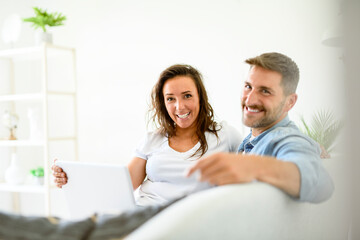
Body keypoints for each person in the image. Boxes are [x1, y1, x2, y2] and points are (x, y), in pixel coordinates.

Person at [52, 64, 242, 207]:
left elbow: (255, 173)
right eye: (170, 99)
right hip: (144, 216)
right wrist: (71, 180)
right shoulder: (153, 139)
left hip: (191, 223)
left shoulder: (225, 136)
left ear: (200, 97)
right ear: (163, 103)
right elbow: (121, 187)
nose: (179, 106)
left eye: (187, 96)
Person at [187, 52, 334, 203]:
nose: (250, 99)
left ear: (290, 102)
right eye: (248, 86)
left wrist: (252, 165)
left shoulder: (285, 139)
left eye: (265, 91)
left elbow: (320, 183)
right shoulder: (255, 137)